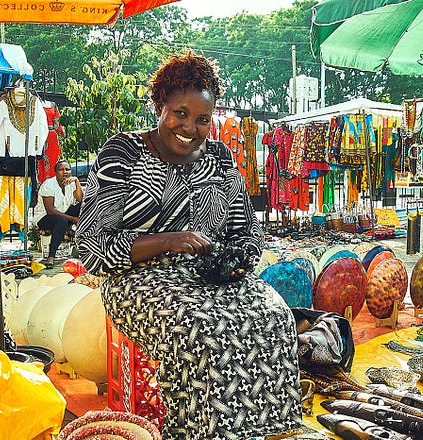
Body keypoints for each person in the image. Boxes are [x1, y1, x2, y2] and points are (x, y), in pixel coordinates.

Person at [76, 51, 301, 439]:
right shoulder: (123, 153)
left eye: (202, 119)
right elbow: (92, 247)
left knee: (274, 314)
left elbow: (246, 229)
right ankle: (198, 432)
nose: (190, 127)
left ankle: (262, 428)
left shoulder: (220, 158)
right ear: (159, 105)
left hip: (209, 274)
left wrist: (240, 259)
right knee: (201, 329)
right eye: (180, 113)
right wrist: (168, 241)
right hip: (135, 278)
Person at [33, 160, 83, 268]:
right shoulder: (49, 185)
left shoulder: (71, 183)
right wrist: (73, 219)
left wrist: (76, 181)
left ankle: (83, 246)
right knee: (61, 221)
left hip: (63, 214)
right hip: (45, 218)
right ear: (55, 172)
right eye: (61, 170)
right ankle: (51, 256)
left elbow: (81, 200)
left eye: (67, 169)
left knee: (83, 207)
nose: (65, 172)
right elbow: (50, 210)